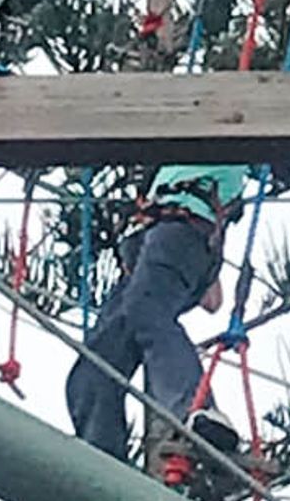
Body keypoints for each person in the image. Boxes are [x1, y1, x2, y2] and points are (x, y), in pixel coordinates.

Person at [65, 163, 248, 468]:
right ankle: (103, 464)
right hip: (150, 249)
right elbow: (211, 300)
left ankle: (197, 409)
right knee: (95, 366)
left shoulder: (224, 151)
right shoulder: (165, 167)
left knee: (147, 309)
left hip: (183, 234)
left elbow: (211, 300)